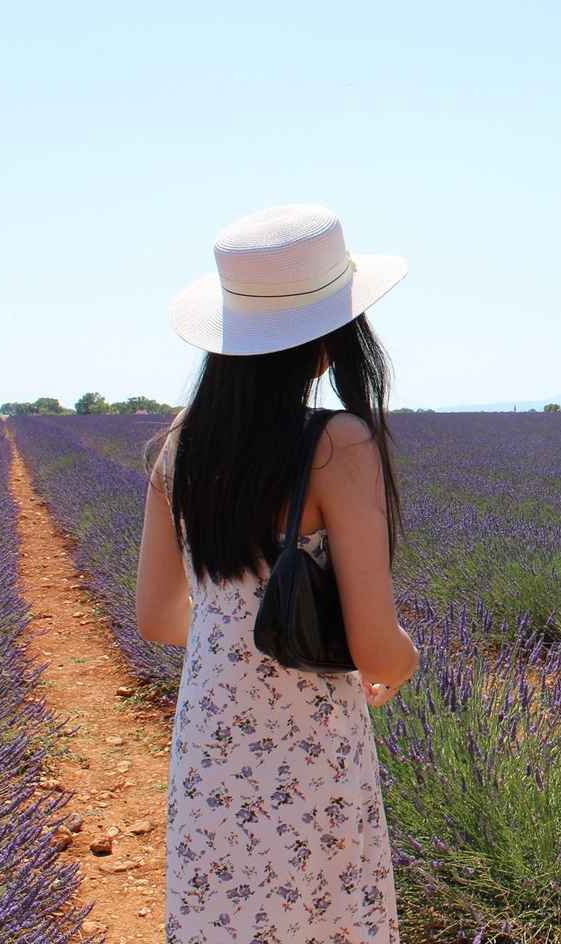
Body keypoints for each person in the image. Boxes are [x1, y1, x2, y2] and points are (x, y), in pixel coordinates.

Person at [135, 204, 419, 944]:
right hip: (307, 755)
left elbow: (157, 619)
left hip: (211, 750)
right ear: (330, 342)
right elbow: (376, 648)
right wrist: (403, 660)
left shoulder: (178, 448)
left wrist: (235, 636)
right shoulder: (338, 444)